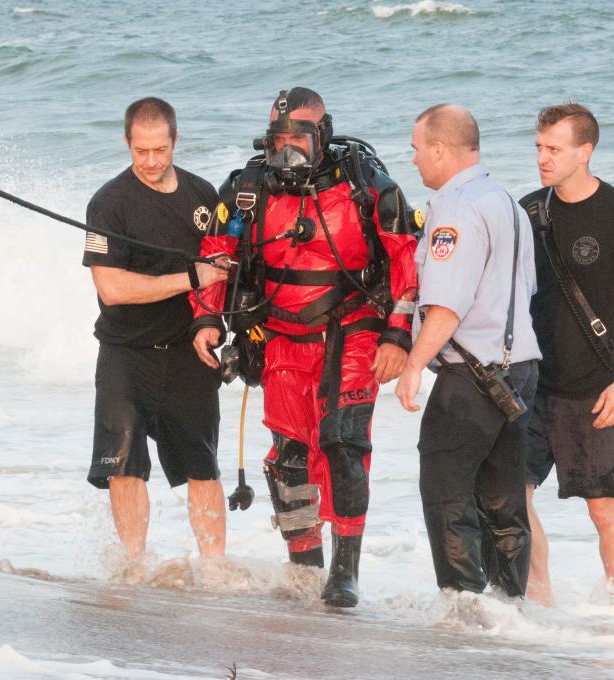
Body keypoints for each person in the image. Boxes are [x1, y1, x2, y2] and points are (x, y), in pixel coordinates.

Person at [191, 88, 418, 607]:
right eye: (278, 140)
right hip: (279, 337)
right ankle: (304, 570)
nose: (286, 150)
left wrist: (399, 337)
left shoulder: (367, 189)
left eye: (298, 138)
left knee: (343, 443)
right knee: (289, 461)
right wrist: (206, 320)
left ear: (324, 136)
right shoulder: (246, 189)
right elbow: (216, 255)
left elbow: (407, 264)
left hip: (352, 329)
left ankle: (344, 572)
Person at [521, 103, 614, 605]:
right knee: (512, 500)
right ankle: (538, 607)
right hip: (530, 383)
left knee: (603, 508)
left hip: (596, 389)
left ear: (585, 152)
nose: (542, 157)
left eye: (554, 149)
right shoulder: (527, 211)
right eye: (539, 146)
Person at [396, 104, 540, 598]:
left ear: (439, 149)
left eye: (417, 149)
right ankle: (509, 605)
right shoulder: (508, 201)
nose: (413, 160)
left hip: (473, 377)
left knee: (446, 495)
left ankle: (463, 610)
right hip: (520, 369)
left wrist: (413, 365)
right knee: (503, 502)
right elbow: (526, 288)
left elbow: (446, 306)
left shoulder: (455, 209)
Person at [82, 97, 230, 570]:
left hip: (191, 350)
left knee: (202, 467)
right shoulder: (108, 203)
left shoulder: (204, 196)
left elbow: (225, 272)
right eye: (140, 150)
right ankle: (134, 568)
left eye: (160, 150)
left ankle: (215, 570)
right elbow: (112, 288)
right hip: (126, 351)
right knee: (124, 466)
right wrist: (192, 278)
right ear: (126, 143)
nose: (150, 161)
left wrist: (217, 316)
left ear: (175, 141)